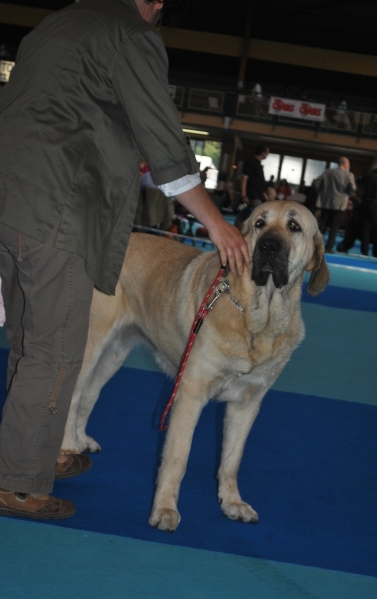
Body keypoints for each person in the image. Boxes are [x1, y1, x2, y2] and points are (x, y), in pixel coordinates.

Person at [0, 0, 250, 521]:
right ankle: (20, 483)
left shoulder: (58, 22)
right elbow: (165, 143)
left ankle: (34, 454)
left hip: (9, 195)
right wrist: (216, 222)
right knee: (54, 349)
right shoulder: (133, 35)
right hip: (57, 213)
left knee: (29, 341)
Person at [316, 157, 356, 253]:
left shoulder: (328, 172)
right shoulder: (349, 175)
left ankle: (317, 246)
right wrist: (348, 193)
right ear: (345, 164)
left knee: (322, 226)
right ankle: (329, 247)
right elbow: (352, 188)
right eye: (348, 164)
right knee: (334, 227)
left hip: (326, 202)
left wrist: (321, 192)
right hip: (339, 204)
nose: (348, 166)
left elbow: (317, 182)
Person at [240, 144, 270, 208]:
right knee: (255, 213)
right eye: (267, 152)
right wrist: (244, 195)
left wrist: (263, 193)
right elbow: (244, 178)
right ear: (262, 152)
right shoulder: (250, 162)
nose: (268, 154)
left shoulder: (258, 164)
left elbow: (258, 181)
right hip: (252, 194)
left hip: (257, 194)